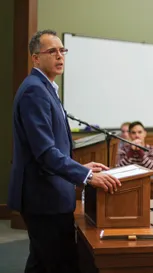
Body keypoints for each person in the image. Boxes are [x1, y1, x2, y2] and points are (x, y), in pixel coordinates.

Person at [7, 30, 121, 273]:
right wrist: (87, 176)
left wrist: (82, 168)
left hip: (48, 194)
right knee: (59, 263)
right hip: (43, 197)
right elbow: (45, 151)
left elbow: (53, 146)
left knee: (42, 262)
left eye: (62, 51)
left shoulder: (45, 87)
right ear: (36, 58)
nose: (60, 56)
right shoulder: (34, 91)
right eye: (52, 51)